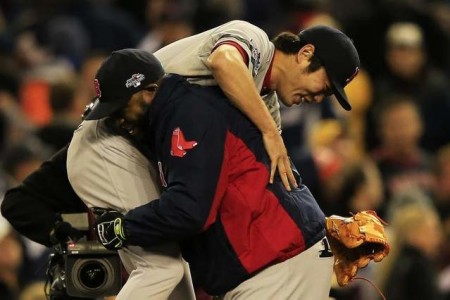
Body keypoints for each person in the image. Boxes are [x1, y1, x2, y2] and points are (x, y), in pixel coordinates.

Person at [86, 49, 334, 299]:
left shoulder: (188, 114)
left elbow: (190, 210)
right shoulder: (173, 116)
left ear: (150, 90)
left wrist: (123, 228)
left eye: (120, 108)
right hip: (271, 263)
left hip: (279, 263)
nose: (117, 121)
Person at [154, 20, 360, 191]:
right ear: (305, 54)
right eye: (324, 88)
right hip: (129, 111)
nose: (318, 99)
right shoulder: (256, 38)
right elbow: (223, 62)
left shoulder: (268, 106)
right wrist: (269, 131)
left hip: (158, 153)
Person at [66, 50, 195, 300]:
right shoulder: (118, 127)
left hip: (99, 154)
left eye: (122, 106)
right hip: (99, 153)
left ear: (150, 90)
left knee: (170, 264)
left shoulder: (176, 94)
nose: (119, 116)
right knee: (161, 267)